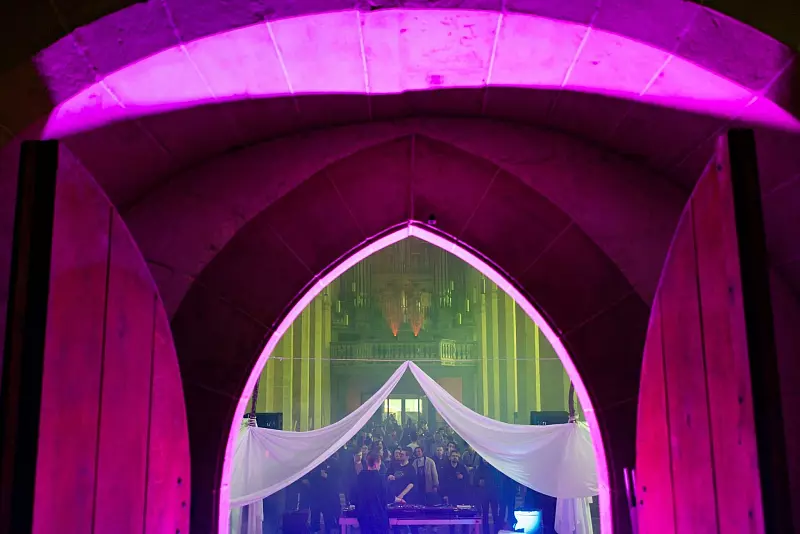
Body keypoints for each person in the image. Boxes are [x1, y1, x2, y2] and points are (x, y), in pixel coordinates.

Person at [354, 453, 394, 534]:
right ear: (376, 464)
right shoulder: (381, 479)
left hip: (363, 516)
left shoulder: (359, 477)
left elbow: (353, 496)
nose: (380, 466)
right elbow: (389, 497)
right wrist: (399, 499)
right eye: (380, 463)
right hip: (378, 517)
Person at [304, 456, 341, 534]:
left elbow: (337, 480)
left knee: (328, 518)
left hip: (328, 496)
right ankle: (315, 531)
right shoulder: (314, 462)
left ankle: (328, 531)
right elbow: (309, 477)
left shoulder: (334, 463)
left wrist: (327, 476)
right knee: (315, 518)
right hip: (315, 496)